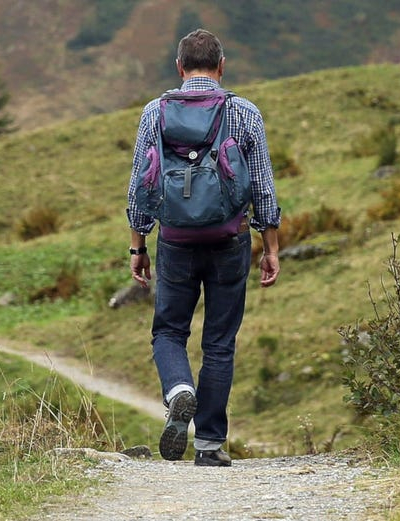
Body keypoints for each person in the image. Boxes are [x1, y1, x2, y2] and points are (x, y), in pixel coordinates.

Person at [126, 29, 281, 467]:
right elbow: (264, 188)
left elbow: (140, 184)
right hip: (230, 239)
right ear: (221, 65)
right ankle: (209, 445)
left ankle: (179, 390)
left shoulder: (154, 112)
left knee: (169, 331)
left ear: (179, 67)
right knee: (219, 342)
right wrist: (270, 246)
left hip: (175, 240)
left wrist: (138, 245)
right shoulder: (244, 112)